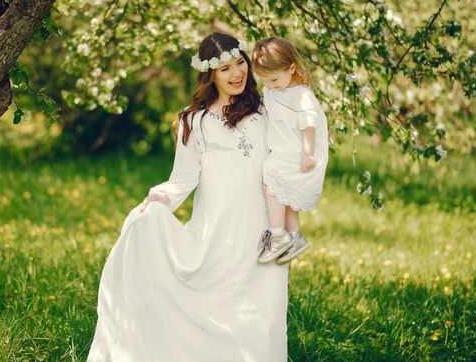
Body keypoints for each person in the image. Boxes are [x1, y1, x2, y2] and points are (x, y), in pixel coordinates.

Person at [87, 32, 289, 361]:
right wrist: (157, 200)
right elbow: (182, 179)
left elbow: (287, 163)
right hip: (217, 236)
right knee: (215, 311)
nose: (237, 73)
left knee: (262, 318)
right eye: (225, 69)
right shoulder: (192, 121)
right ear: (210, 74)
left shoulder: (267, 110)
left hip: (262, 232)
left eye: (240, 63)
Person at [251, 37, 328, 264]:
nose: (270, 84)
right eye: (264, 80)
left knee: (271, 183)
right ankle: (294, 237)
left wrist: (308, 152)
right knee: (284, 194)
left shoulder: (301, 95)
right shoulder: (274, 89)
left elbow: (309, 122)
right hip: (281, 148)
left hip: (295, 152)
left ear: (292, 68)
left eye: (274, 78)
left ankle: (278, 235)